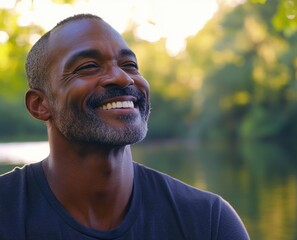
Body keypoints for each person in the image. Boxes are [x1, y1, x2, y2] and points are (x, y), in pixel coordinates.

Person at [0, 14, 249, 239]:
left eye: (129, 65)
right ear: (40, 104)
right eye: (88, 66)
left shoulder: (207, 221)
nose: (122, 77)